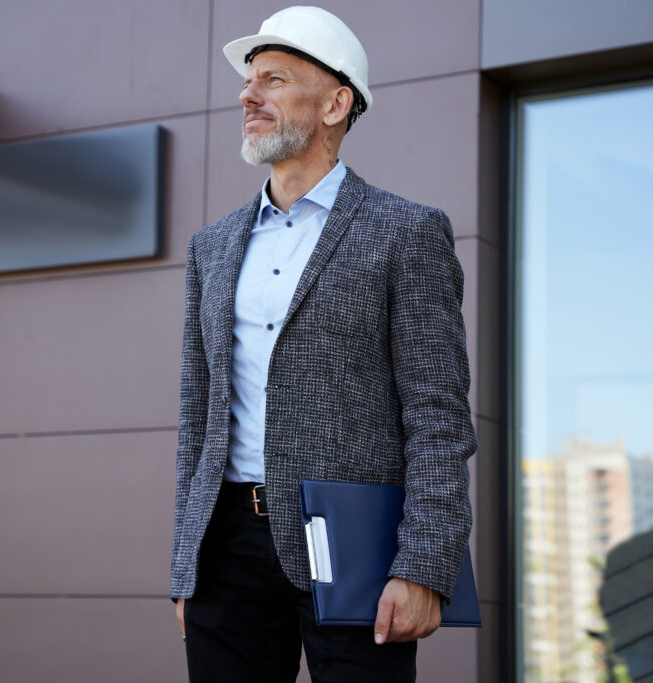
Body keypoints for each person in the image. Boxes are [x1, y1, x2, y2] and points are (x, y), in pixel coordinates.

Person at [170, 6, 476, 681]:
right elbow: (198, 414)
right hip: (226, 547)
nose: (249, 96)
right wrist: (186, 561)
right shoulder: (211, 247)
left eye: (274, 80)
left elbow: (438, 416)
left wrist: (424, 564)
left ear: (336, 103)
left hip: (356, 543)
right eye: (249, 82)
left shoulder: (408, 232)